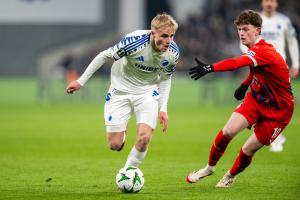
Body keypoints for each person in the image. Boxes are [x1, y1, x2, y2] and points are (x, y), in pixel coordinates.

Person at [186, 9, 294, 188]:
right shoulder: (254, 49)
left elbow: (236, 63)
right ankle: (209, 168)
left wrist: (210, 68)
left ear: (257, 30)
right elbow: (256, 70)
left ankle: (229, 176)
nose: (241, 33)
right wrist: (244, 86)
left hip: (279, 111)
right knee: (228, 131)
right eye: (239, 30)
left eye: (245, 29)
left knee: (247, 149)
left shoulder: (264, 51)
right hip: (257, 99)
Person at [66, 13, 179, 168]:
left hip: (147, 93)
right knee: (115, 145)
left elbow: (166, 78)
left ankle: (129, 171)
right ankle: (122, 132)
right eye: (165, 36)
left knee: (144, 138)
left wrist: (163, 108)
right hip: (120, 91)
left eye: (172, 36)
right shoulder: (134, 42)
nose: (169, 41)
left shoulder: (173, 53)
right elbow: (104, 56)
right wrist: (81, 81)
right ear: (153, 33)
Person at [238, 0, 299, 152]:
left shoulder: (284, 21)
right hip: (259, 67)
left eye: (272, 0)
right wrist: (249, 56)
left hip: (278, 71)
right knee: (263, 101)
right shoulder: (255, 19)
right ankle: (275, 137)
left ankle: (275, 137)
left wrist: (296, 64)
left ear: (276, 3)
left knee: (278, 103)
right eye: (266, 0)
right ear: (262, 2)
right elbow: (243, 38)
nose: (269, 3)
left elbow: (292, 42)